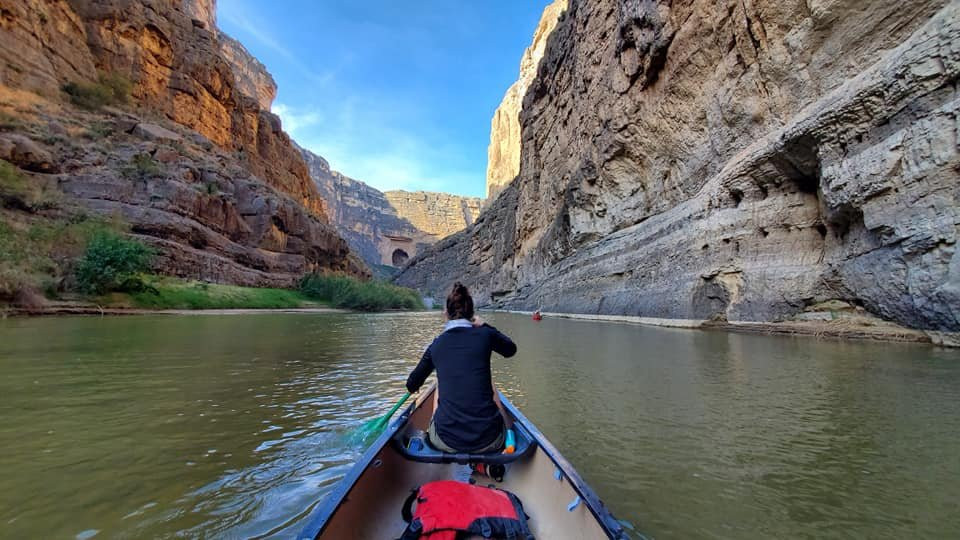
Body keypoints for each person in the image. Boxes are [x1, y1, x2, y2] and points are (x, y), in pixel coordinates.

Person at [406, 282, 517, 453]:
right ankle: (505, 435)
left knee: (439, 383)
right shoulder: (485, 335)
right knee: (489, 381)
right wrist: (485, 325)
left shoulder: (436, 345)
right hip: (490, 439)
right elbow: (510, 350)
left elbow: (412, 384)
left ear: (446, 314)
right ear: (472, 314)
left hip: (446, 441)